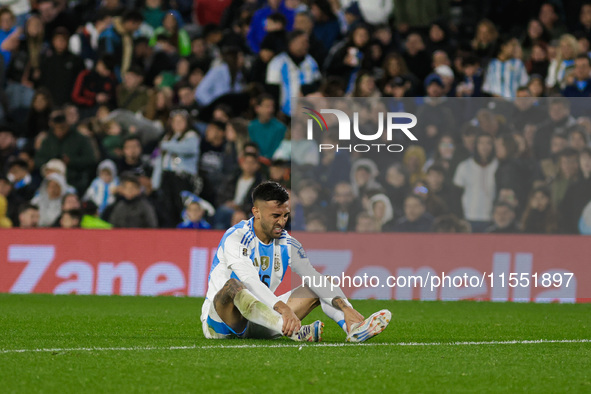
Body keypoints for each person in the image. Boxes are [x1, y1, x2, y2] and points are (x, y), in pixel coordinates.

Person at [201, 180, 391, 342]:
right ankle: (294, 331)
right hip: (222, 323)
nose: (282, 222)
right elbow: (250, 281)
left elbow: (314, 278)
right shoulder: (237, 237)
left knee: (322, 283)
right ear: (256, 212)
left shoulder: (288, 244)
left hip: (263, 320)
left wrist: (345, 307)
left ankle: (354, 328)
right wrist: (284, 309)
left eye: (285, 215)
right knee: (234, 286)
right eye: (275, 216)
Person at [266, 30, 321, 117]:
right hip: (284, 114)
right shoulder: (277, 63)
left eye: (307, 42)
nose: (306, 46)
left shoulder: (311, 63)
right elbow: (272, 90)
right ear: (291, 43)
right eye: (303, 42)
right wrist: (276, 111)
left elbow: (317, 86)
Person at [453, 133, 499, 232]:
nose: (484, 147)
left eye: (488, 143)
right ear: (476, 146)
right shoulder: (464, 166)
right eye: (481, 143)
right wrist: (459, 217)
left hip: (492, 218)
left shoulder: (498, 166)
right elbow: (456, 194)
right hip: (469, 217)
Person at [248, 94, 286, 160]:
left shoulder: (280, 128)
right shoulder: (251, 126)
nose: (270, 110)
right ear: (257, 108)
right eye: (267, 106)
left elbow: (278, 150)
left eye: (272, 107)